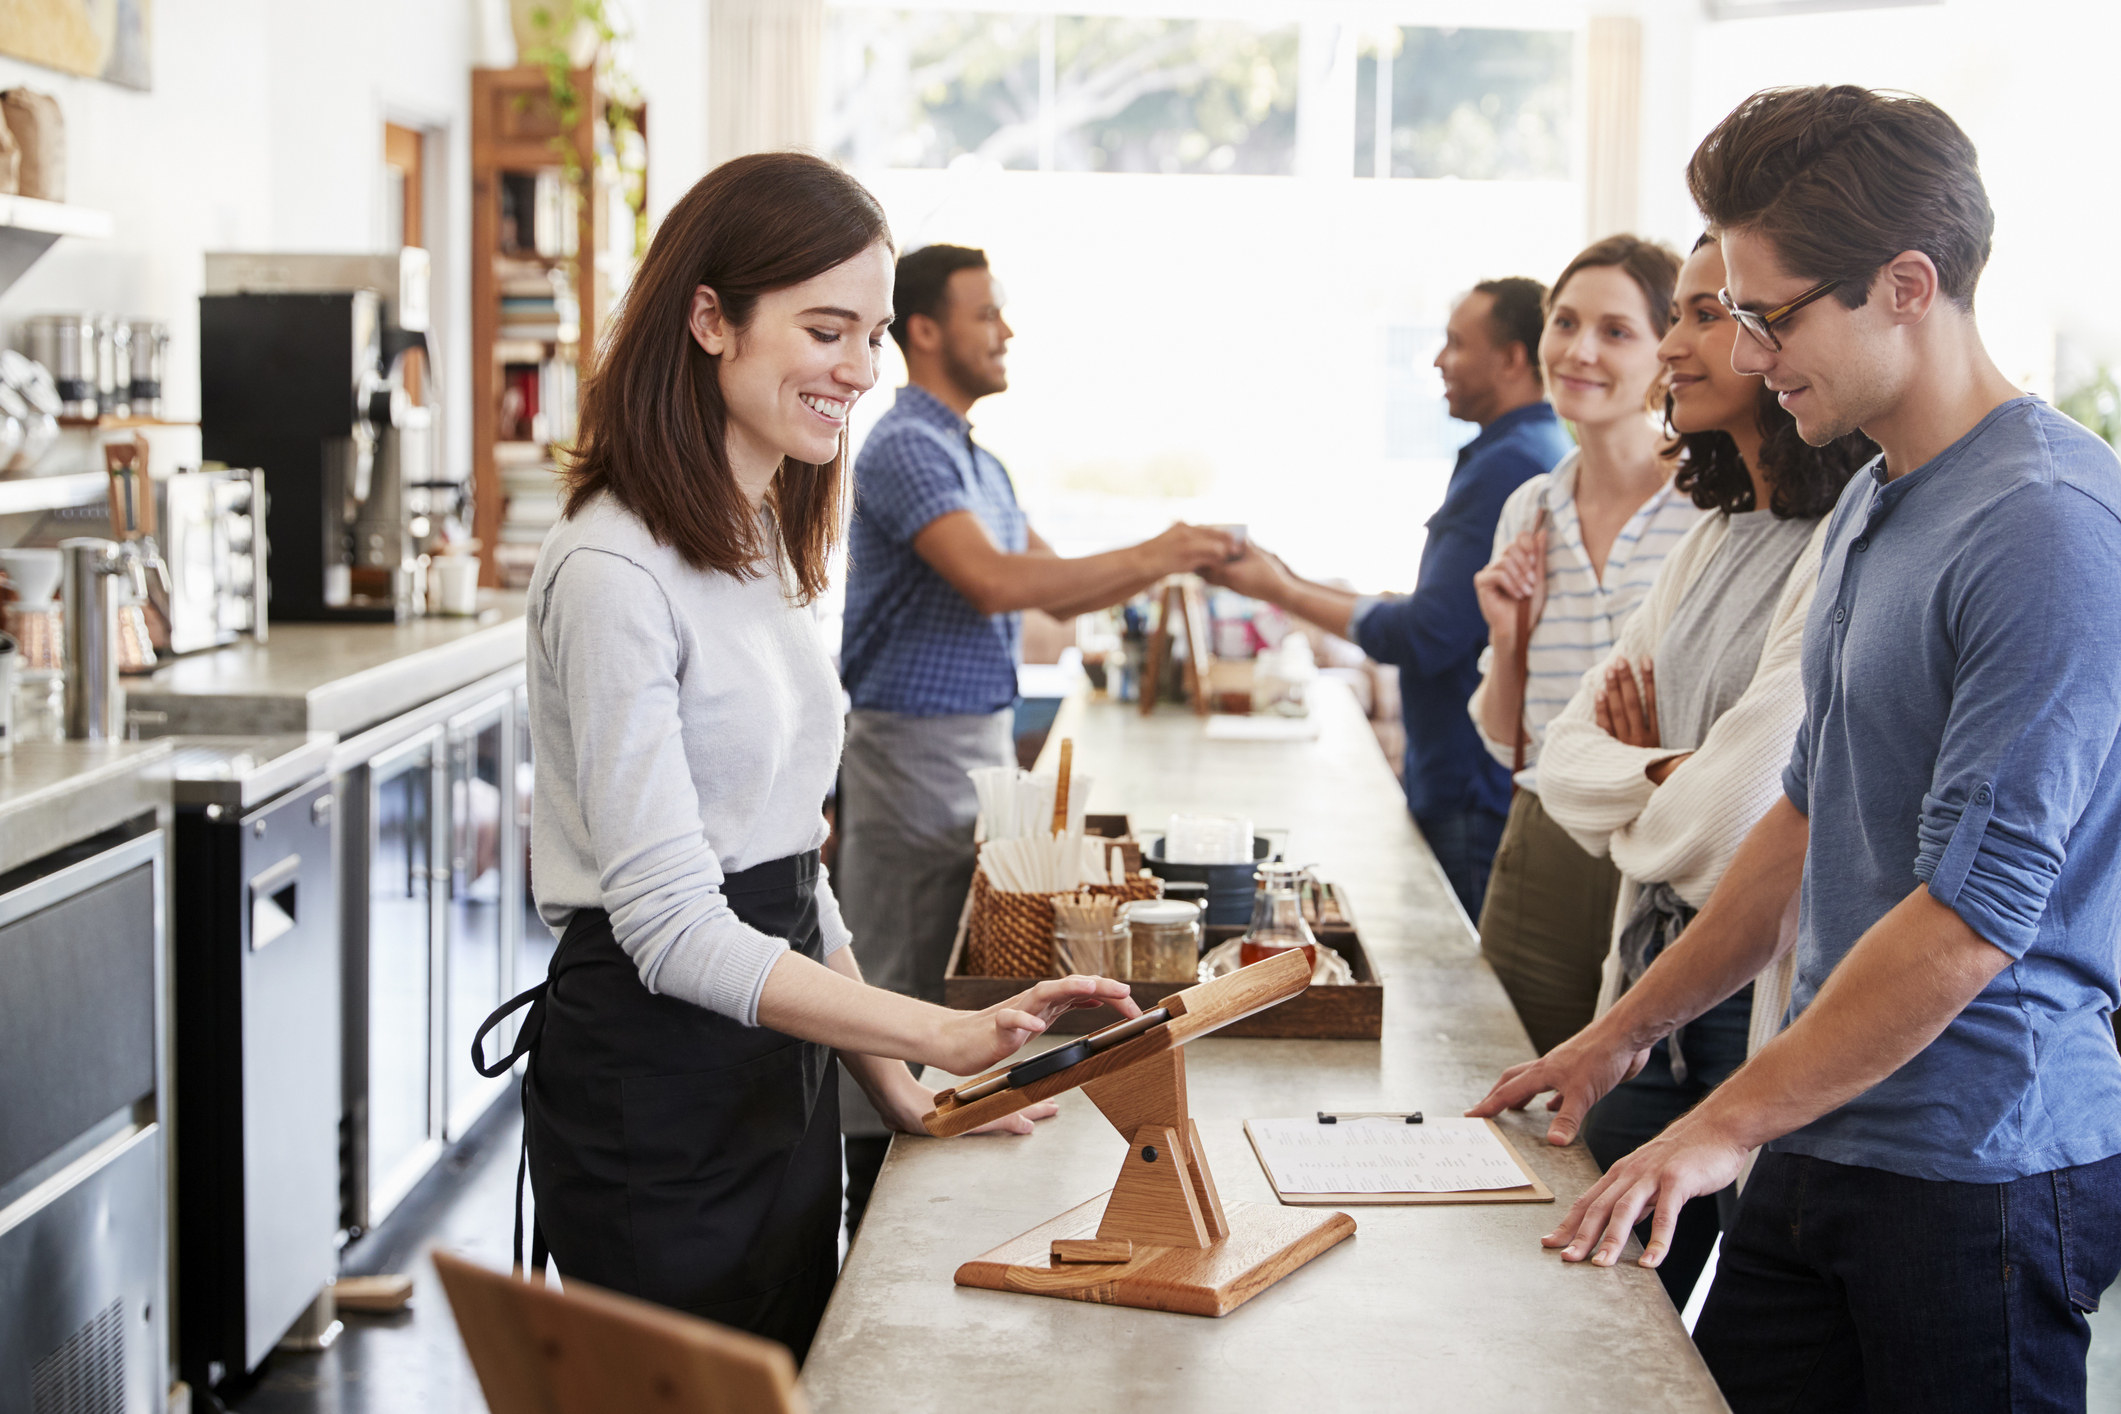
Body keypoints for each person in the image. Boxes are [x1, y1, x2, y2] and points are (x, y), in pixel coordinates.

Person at [1473, 86, 2121, 1411]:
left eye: (1772, 314)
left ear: (1904, 285)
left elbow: (1968, 923)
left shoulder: (2045, 526)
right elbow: (1804, 816)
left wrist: (1718, 1122)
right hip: (1819, 1122)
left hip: (1977, 1166)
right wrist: (1621, 1035)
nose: (1753, 352)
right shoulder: (1879, 497)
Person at [482, 154, 1138, 1362]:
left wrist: (887, 1074)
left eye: (873, 333)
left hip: (771, 1065)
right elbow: (675, 924)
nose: (860, 369)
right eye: (825, 328)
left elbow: (787, 847)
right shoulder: (612, 566)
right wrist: (927, 1027)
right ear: (711, 317)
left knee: (795, 1370)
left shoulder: (759, 533)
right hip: (656, 1082)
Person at [834, 243, 1232, 1219]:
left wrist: (1169, 562)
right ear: (923, 330)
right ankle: (865, 1218)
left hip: (969, 738)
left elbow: (1055, 581)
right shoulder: (906, 447)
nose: (1005, 330)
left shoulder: (976, 455)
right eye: (987, 313)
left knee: (949, 973)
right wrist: (1161, 549)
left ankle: (920, 1201)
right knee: (897, 974)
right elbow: (999, 583)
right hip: (910, 750)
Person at [1530, 234, 1873, 1306]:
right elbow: (1562, 759)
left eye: (1704, 315)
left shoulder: (1845, 537)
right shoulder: (1715, 535)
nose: (1675, 345)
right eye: (1674, 314)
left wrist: (1652, 772)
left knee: (1660, 1316)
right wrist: (1674, 767)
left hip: (1749, 996)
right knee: (1596, 1303)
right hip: (1651, 970)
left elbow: (1737, 822)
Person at [1205, 277, 1571, 918]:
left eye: (1456, 344)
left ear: (1515, 358)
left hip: (1469, 786)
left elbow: (1426, 633)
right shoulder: (1524, 451)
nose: (1438, 362)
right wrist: (1286, 579)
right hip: (1468, 777)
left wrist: (1282, 590)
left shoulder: (1509, 466)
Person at [1464, 237, 1702, 1054]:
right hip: (1542, 841)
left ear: (1668, 355)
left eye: (1615, 331)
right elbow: (1506, 740)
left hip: (1668, 839)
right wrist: (1507, 638)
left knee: (1629, 1113)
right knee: (1502, 1081)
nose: (1579, 350)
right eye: (1564, 323)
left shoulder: (1714, 505)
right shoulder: (1530, 507)